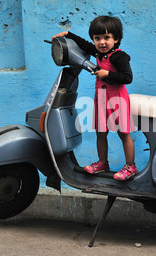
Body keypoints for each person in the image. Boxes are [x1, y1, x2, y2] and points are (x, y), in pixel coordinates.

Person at [52, 16, 138, 180]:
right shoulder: (98, 53)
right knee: (100, 133)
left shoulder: (120, 56)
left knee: (124, 134)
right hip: (101, 100)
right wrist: (67, 35)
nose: (102, 42)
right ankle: (102, 163)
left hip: (117, 100)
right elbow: (84, 44)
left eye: (107, 38)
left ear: (116, 39)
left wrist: (108, 74)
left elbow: (127, 77)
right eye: (97, 38)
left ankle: (131, 166)